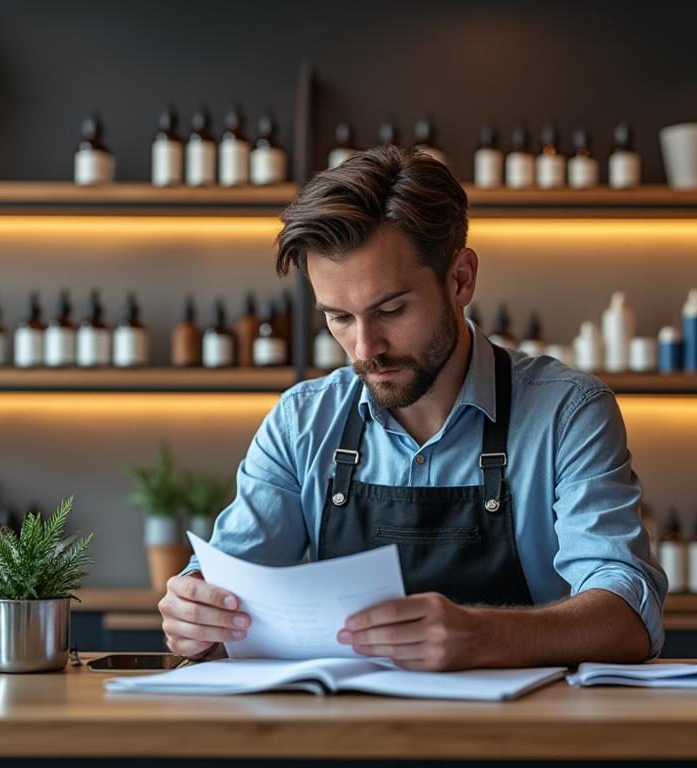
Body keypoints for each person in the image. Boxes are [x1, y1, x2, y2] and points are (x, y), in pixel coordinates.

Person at [158, 145, 666, 671]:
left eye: (391, 310)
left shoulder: (568, 413)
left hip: (523, 738)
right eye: (339, 318)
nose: (364, 349)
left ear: (460, 279)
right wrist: (197, 610)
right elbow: (227, 586)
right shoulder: (301, 422)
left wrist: (483, 635)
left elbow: (627, 614)